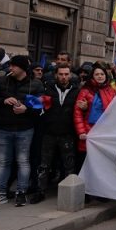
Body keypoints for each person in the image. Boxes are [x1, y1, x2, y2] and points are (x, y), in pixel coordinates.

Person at [0, 55, 45, 207]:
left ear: (23, 68)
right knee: (3, 162)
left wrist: (26, 108)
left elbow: (41, 107)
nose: (10, 68)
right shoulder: (2, 81)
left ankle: (21, 192)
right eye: (10, 65)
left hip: (25, 129)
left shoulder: (36, 84)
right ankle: (1, 193)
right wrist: (3, 101)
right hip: (3, 128)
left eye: (14, 66)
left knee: (23, 161)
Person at [32, 62, 79, 204]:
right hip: (49, 133)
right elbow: (38, 107)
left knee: (69, 165)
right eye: (61, 74)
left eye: (66, 74)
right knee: (44, 164)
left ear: (70, 75)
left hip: (67, 134)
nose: (64, 77)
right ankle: (40, 191)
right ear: (56, 75)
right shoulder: (47, 89)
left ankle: (69, 193)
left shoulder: (77, 90)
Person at [73, 64, 116, 171]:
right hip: (88, 132)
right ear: (92, 76)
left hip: (105, 132)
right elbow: (77, 112)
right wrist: (81, 132)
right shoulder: (85, 91)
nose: (100, 76)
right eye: (97, 74)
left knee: (102, 164)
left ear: (106, 76)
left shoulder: (111, 91)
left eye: (102, 74)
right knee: (85, 163)